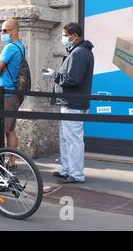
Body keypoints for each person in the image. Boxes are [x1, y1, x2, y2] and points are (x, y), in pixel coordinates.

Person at [43, 22, 94, 184]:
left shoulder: (79, 53)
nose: (63, 38)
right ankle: (66, 169)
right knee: (66, 138)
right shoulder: (78, 51)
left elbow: (73, 79)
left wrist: (55, 75)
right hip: (69, 102)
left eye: (65, 35)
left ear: (74, 36)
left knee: (73, 140)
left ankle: (76, 174)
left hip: (73, 103)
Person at [0, 18, 26, 165]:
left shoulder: (9, 48)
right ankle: (11, 162)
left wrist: (0, 65)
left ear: (14, 31)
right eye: (1, 30)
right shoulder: (21, 46)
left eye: (5, 30)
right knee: (10, 130)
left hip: (6, 93)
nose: (2, 33)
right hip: (15, 94)